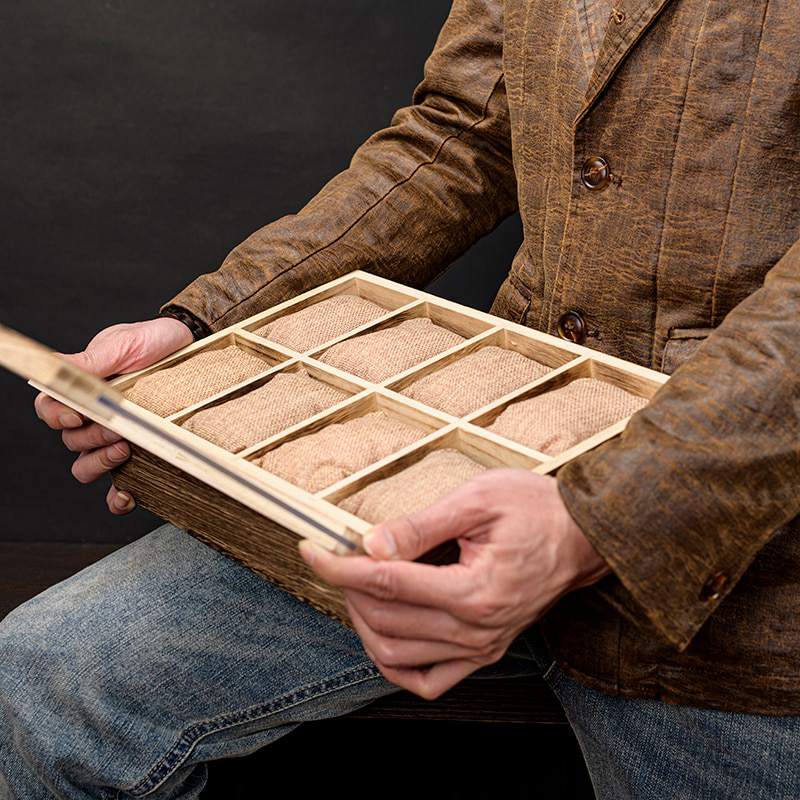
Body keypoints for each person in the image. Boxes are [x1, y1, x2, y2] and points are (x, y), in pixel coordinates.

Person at [3, 0, 800, 797]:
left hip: (746, 589)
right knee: (44, 678)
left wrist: (606, 519)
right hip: (450, 474)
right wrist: (205, 329)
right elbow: (461, 132)